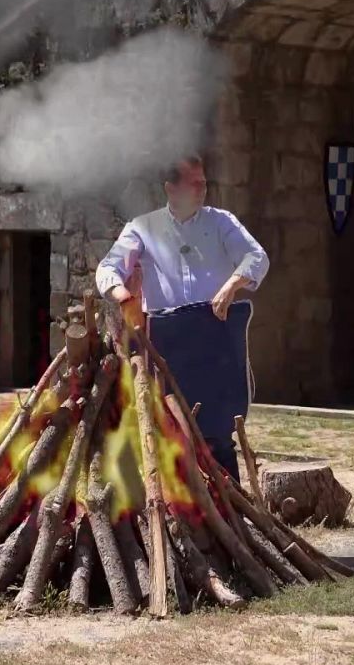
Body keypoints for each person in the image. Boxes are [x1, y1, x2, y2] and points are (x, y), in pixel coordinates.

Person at [96, 156, 269, 479]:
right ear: (171, 189)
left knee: (218, 434)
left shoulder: (221, 222)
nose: (204, 189)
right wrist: (123, 295)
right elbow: (107, 269)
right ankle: (181, 517)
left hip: (214, 343)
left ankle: (229, 512)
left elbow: (257, 257)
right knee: (169, 433)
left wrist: (232, 285)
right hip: (168, 347)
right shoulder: (143, 228)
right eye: (195, 183)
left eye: (204, 182)